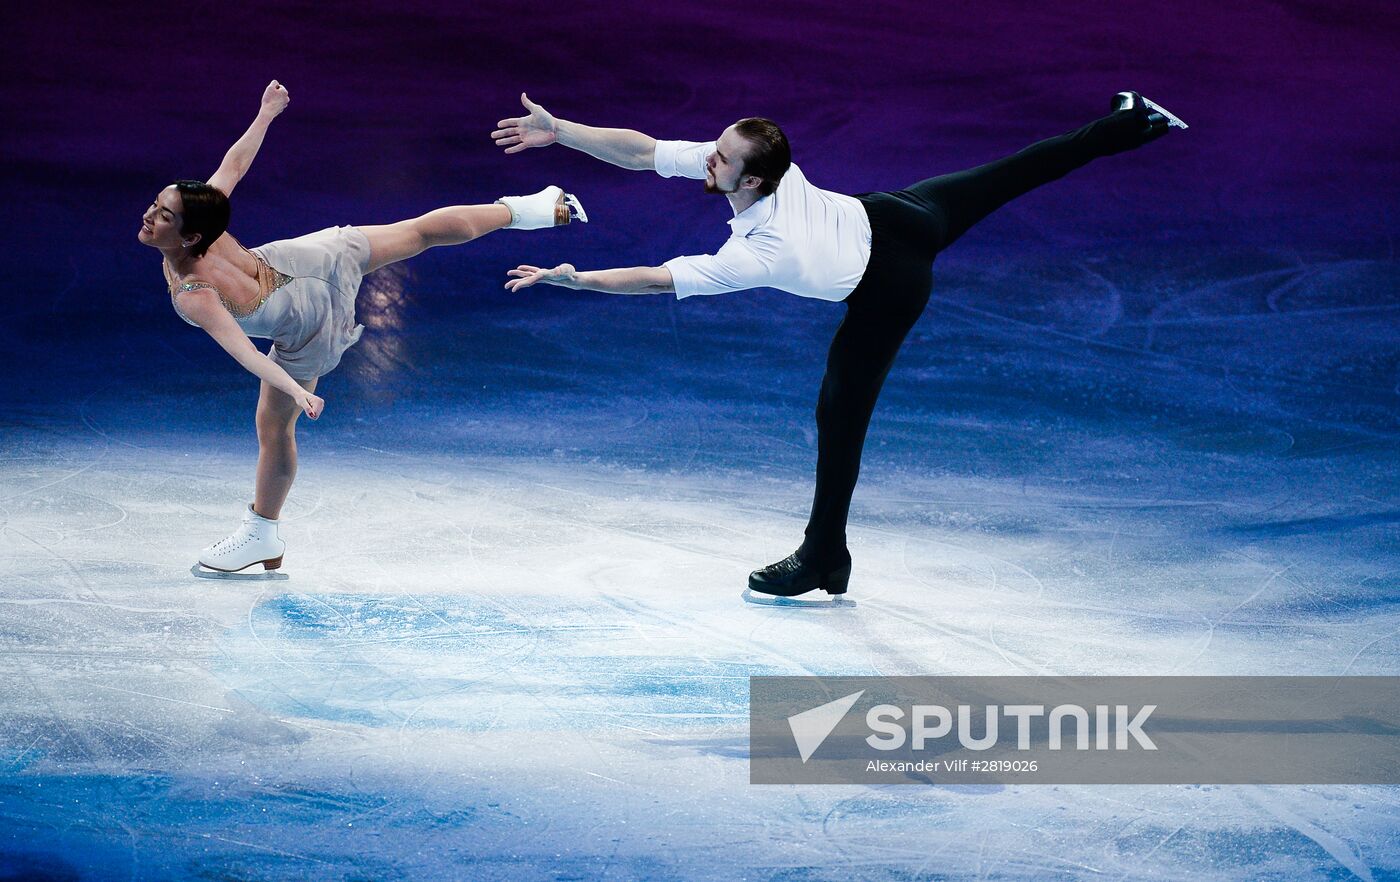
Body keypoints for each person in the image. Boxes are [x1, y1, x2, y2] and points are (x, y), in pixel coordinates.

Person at [493, 90, 1185, 598]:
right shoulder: (765, 165)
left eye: (722, 158)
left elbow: (655, 280)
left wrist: (578, 279)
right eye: (716, 148)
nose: (709, 159)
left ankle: (823, 555)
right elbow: (643, 152)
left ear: (753, 178)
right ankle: (1133, 121)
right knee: (1013, 172)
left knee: (839, 414)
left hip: (888, 282)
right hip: (898, 211)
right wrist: (560, 133)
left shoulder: (762, 250)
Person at [143, 80, 585, 575]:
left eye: (162, 214)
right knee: (415, 232)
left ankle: (262, 534)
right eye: (156, 207)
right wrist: (266, 114)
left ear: (193, 234)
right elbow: (233, 167)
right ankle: (537, 208)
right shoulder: (207, 217)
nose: (148, 216)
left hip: (309, 321)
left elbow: (244, 350)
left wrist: (297, 389)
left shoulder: (193, 294)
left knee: (274, 426)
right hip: (307, 261)